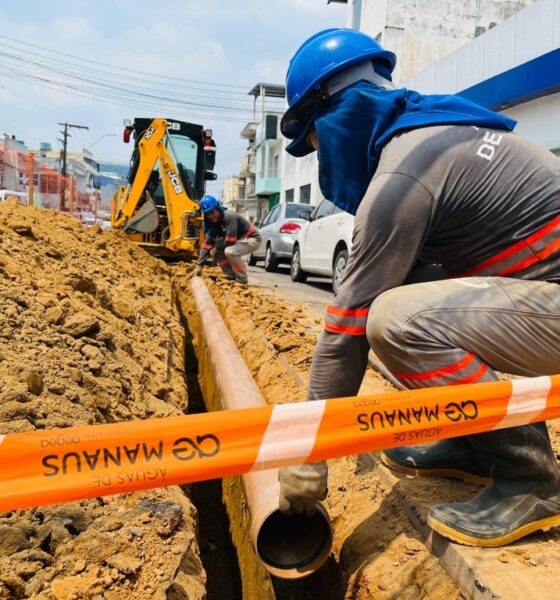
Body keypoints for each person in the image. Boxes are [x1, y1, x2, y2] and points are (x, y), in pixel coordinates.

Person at [277, 28, 560, 548]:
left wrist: (306, 459)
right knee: (398, 292)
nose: (320, 157)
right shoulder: (430, 132)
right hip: (547, 291)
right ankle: (474, 443)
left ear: (340, 115)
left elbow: (345, 331)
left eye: (316, 140)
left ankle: (530, 480)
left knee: (392, 321)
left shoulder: (406, 176)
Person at [194, 195, 261, 284]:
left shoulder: (229, 216)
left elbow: (230, 241)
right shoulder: (214, 223)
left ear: (218, 208)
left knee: (230, 251)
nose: (210, 216)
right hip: (240, 240)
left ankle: (242, 278)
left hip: (252, 239)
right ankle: (231, 275)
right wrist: (199, 265)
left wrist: (216, 247)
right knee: (215, 252)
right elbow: (207, 244)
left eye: (212, 212)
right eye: (207, 214)